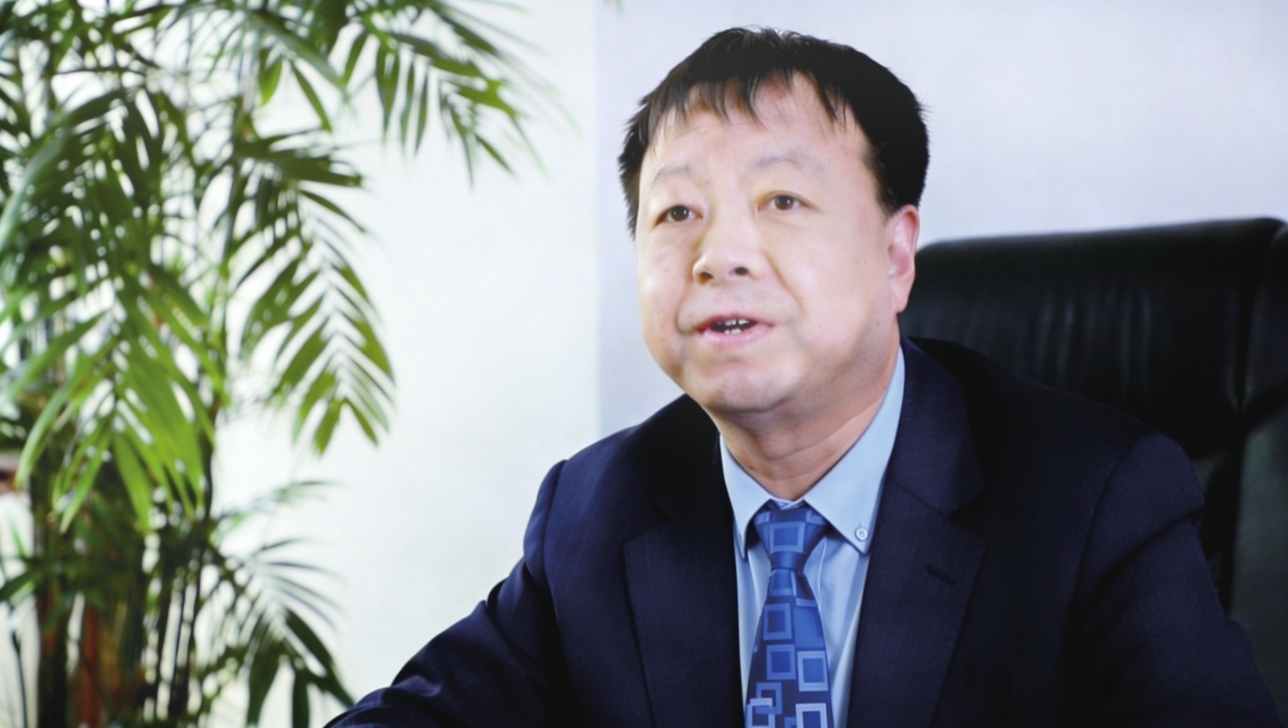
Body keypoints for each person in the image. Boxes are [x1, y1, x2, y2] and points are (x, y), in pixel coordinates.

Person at [328, 27, 1281, 727]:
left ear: (896, 255)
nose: (719, 254)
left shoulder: (1096, 501)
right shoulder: (596, 510)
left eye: (781, 200)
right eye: (676, 214)